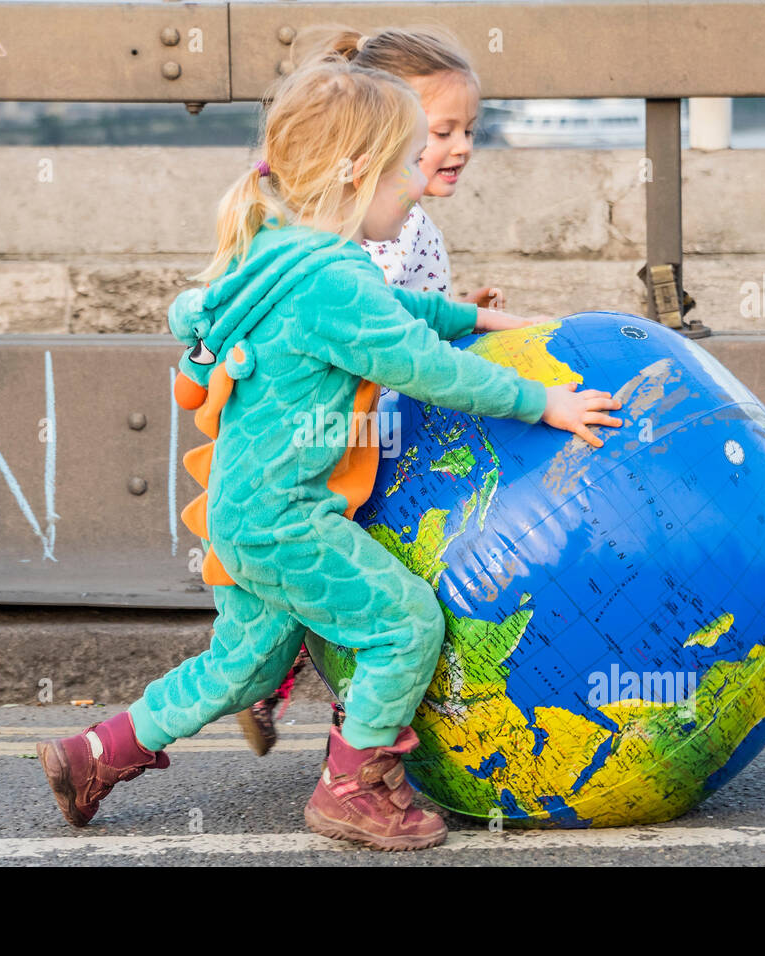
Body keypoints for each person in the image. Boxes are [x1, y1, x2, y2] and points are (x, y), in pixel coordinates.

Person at [37, 59, 623, 851]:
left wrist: (472, 318)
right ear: (357, 174)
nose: (419, 186)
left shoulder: (286, 251)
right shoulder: (336, 279)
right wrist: (540, 400)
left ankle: (93, 754)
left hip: (244, 515)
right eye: (407, 168)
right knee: (407, 624)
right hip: (288, 521)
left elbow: (391, 310)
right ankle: (353, 786)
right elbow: (422, 366)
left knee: (243, 666)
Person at [239, 26, 558, 754]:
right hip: (356, 433)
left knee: (356, 576)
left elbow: (407, 320)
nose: (461, 147)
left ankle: (289, 687)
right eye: (441, 131)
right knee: (376, 581)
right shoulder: (369, 232)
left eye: (470, 130)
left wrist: (458, 312)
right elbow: (379, 339)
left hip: (371, 426)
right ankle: (334, 720)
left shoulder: (403, 224)